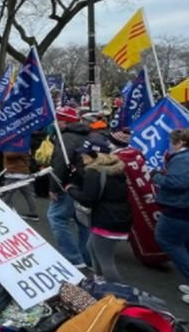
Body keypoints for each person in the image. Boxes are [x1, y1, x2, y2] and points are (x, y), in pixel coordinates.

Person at [67, 135, 130, 283]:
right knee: (92, 247)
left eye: (84, 154)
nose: (81, 156)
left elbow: (87, 199)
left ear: (94, 155)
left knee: (106, 260)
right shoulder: (114, 168)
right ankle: (99, 280)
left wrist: (70, 189)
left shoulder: (94, 172)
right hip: (118, 217)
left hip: (105, 219)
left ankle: (118, 292)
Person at [47, 106, 92, 268]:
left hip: (68, 184)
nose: (55, 124)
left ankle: (73, 258)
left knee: (56, 217)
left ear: (63, 121)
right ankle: (87, 258)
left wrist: (54, 187)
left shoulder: (66, 138)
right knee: (82, 222)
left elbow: (60, 163)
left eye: (57, 120)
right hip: (84, 183)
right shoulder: (87, 134)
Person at [154, 129, 189, 304]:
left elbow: (176, 182)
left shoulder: (183, 159)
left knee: (167, 239)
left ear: (180, 143)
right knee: (184, 243)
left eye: (171, 142)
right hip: (183, 207)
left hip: (179, 207)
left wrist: (157, 177)